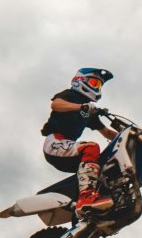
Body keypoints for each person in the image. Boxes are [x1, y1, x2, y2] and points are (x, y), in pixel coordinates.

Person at [41, 68, 118, 212]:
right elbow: (56, 105)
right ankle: (85, 198)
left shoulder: (89, 112)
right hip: (55, 142)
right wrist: (81, 106)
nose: (96, 87)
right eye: (94, 82)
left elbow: (106, 132)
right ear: (80, 80)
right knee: (91, 147)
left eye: (99, 86)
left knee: (102, 163)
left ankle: (94, 200)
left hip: (67, 148)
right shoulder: (70, 95)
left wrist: (130, 134)